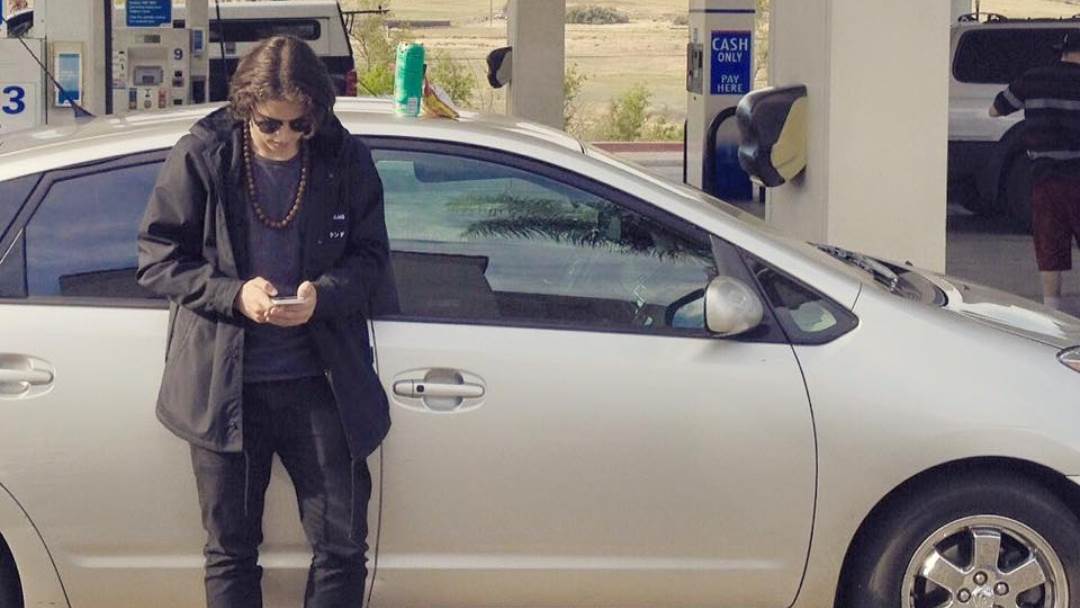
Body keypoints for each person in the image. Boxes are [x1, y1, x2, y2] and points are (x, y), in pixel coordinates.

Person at [136, 35, 391, 608]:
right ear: (246, 107)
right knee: (230, 551)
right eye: (271, 124)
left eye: (300, 125)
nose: (285, 138)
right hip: (225, 388)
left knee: (343, 546)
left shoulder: (344, 157)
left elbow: (372, 258)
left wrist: (323, 296)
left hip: (321, 382)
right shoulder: (204, 154)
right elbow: (157, 259)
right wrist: (233, 294)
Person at [991, 30, 1080, 315]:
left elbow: (995, 110)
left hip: (1045, 178)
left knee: (1049, 244)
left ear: (1063, 52)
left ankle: (1052, 307)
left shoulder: (1033, 78)